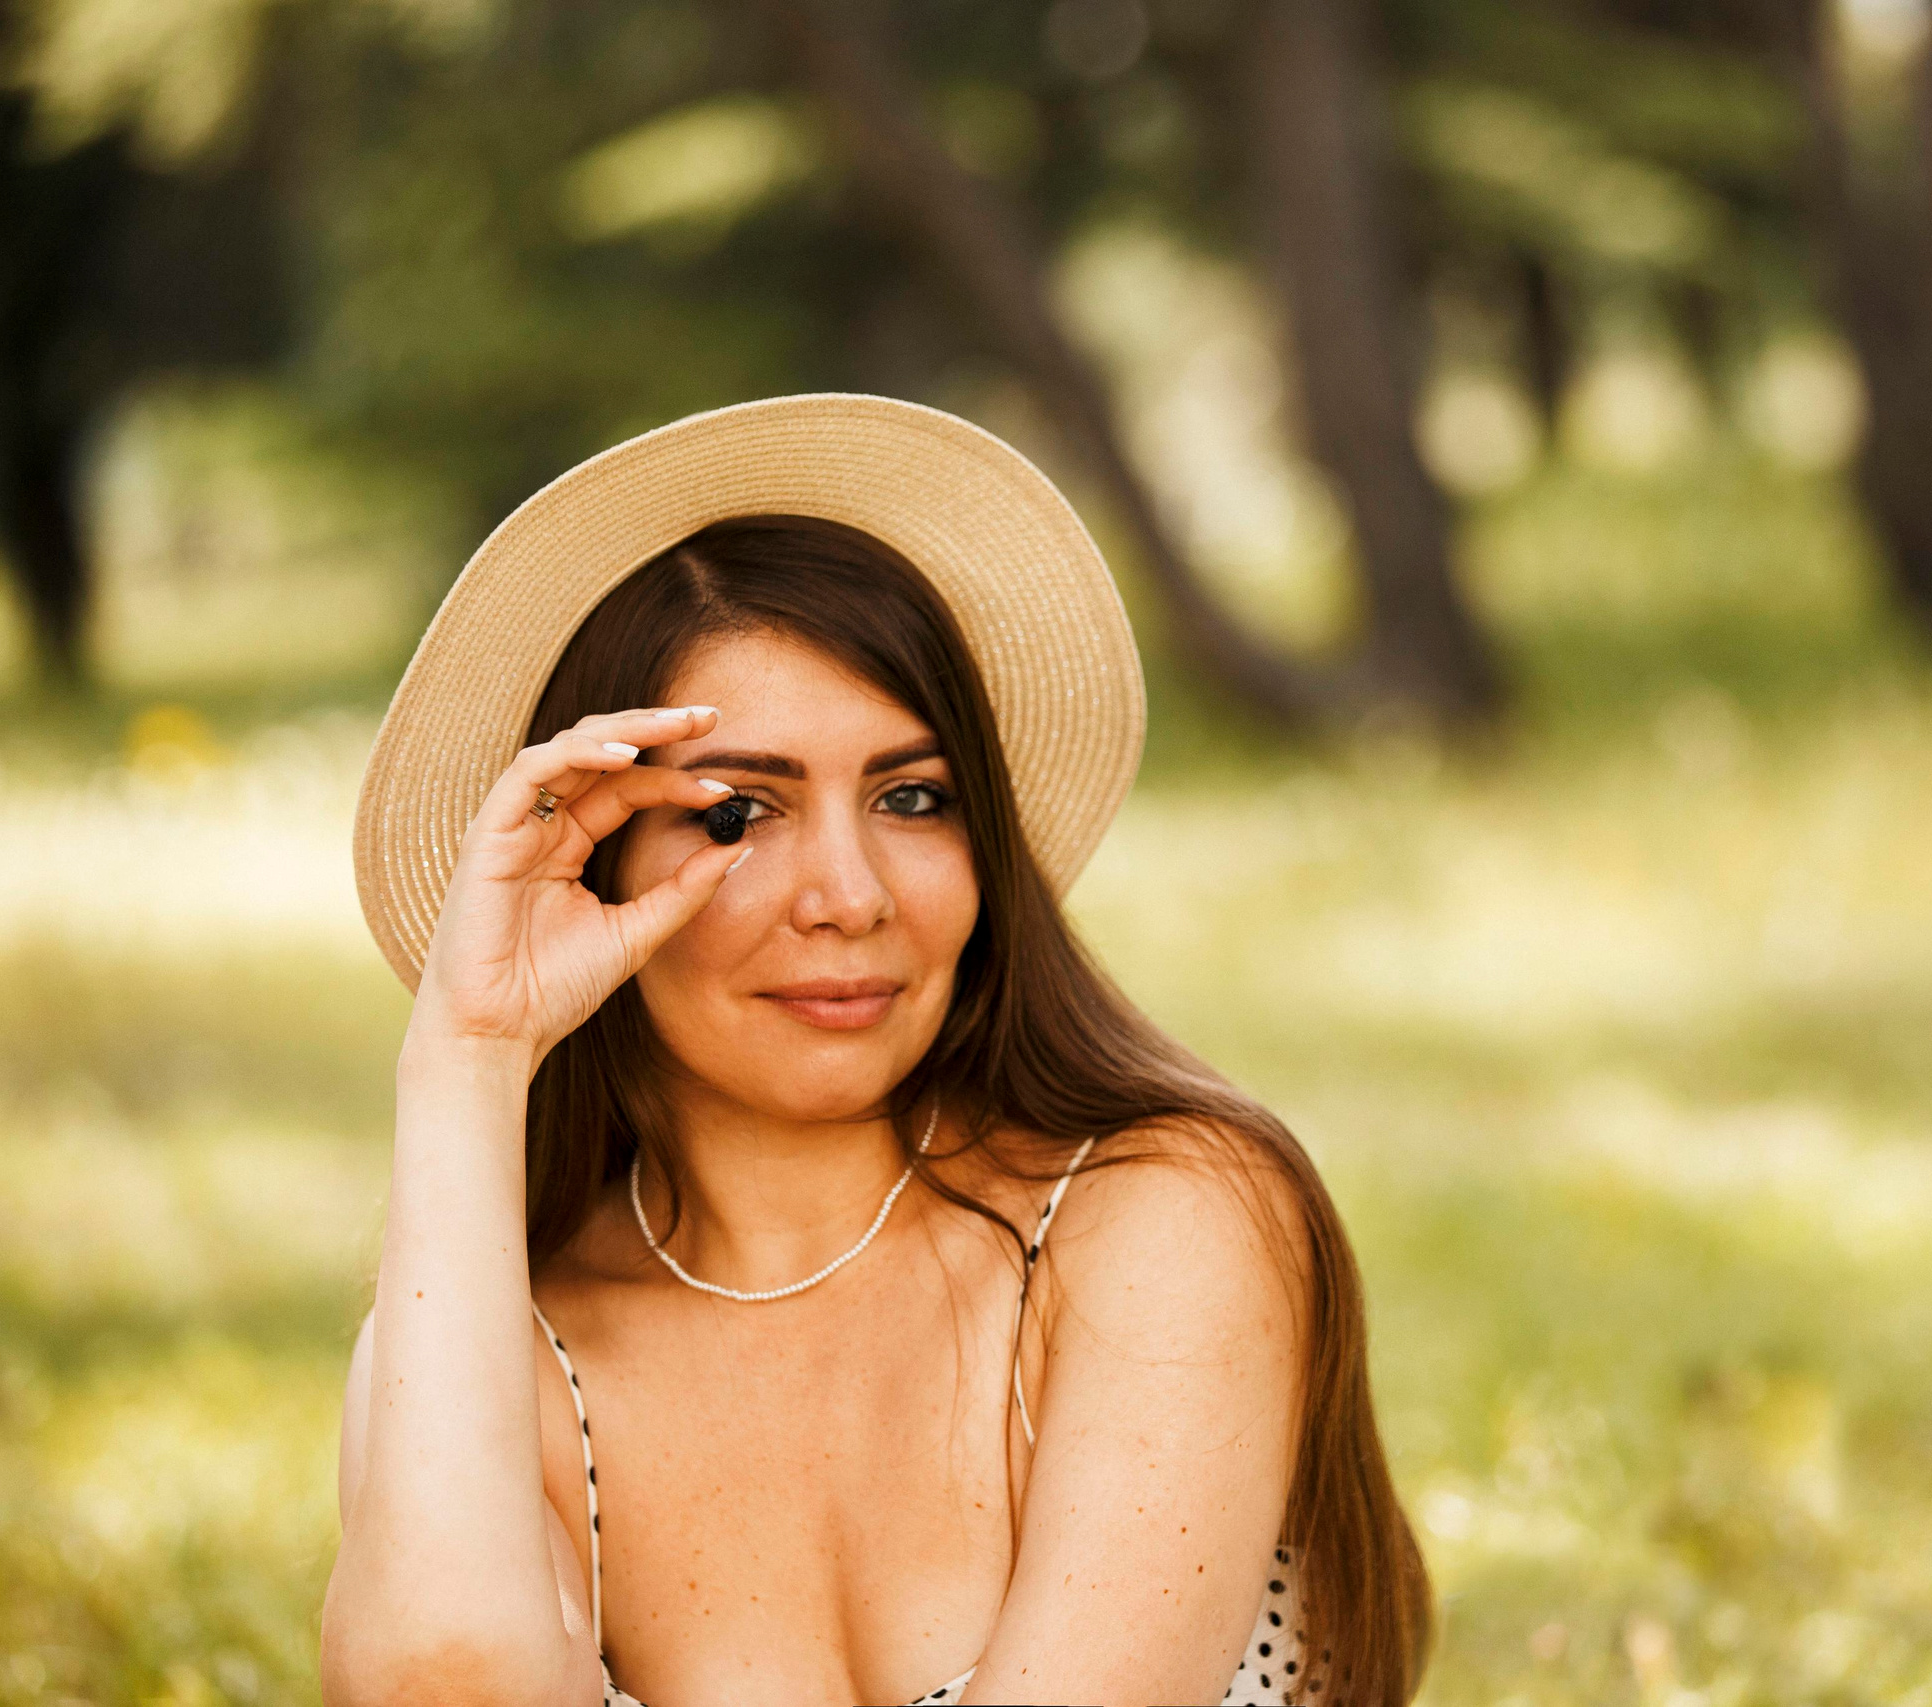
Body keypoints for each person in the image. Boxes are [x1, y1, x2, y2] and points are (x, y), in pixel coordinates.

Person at [318, 396, 1431, 1707]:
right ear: (596, 863)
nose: (848, 894)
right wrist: (469, 1054)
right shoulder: (494, 1358)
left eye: (913, 798)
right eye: (738, 810)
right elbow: (439, 1686)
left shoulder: (1159, 1219)